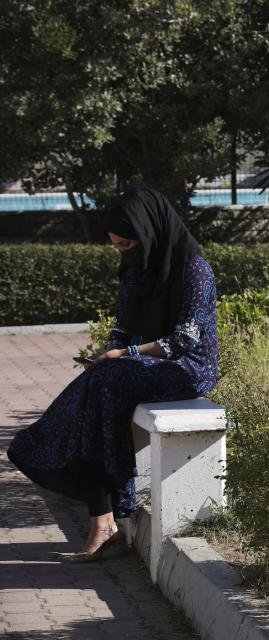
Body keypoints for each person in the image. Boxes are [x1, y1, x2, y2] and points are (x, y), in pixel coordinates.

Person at [6, 186, 218, 561]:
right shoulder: (138, 267)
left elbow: (185, 340)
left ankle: (100, 512)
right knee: (100, 385)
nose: (123, 252)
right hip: (141, 365)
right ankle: (103, 517)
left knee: (106, 381)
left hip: (187, 369)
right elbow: (123, 324)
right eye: (117, 246)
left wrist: (126, 353)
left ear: (148, 232)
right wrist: (109, 352)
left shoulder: (194, 269)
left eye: (126, 244)